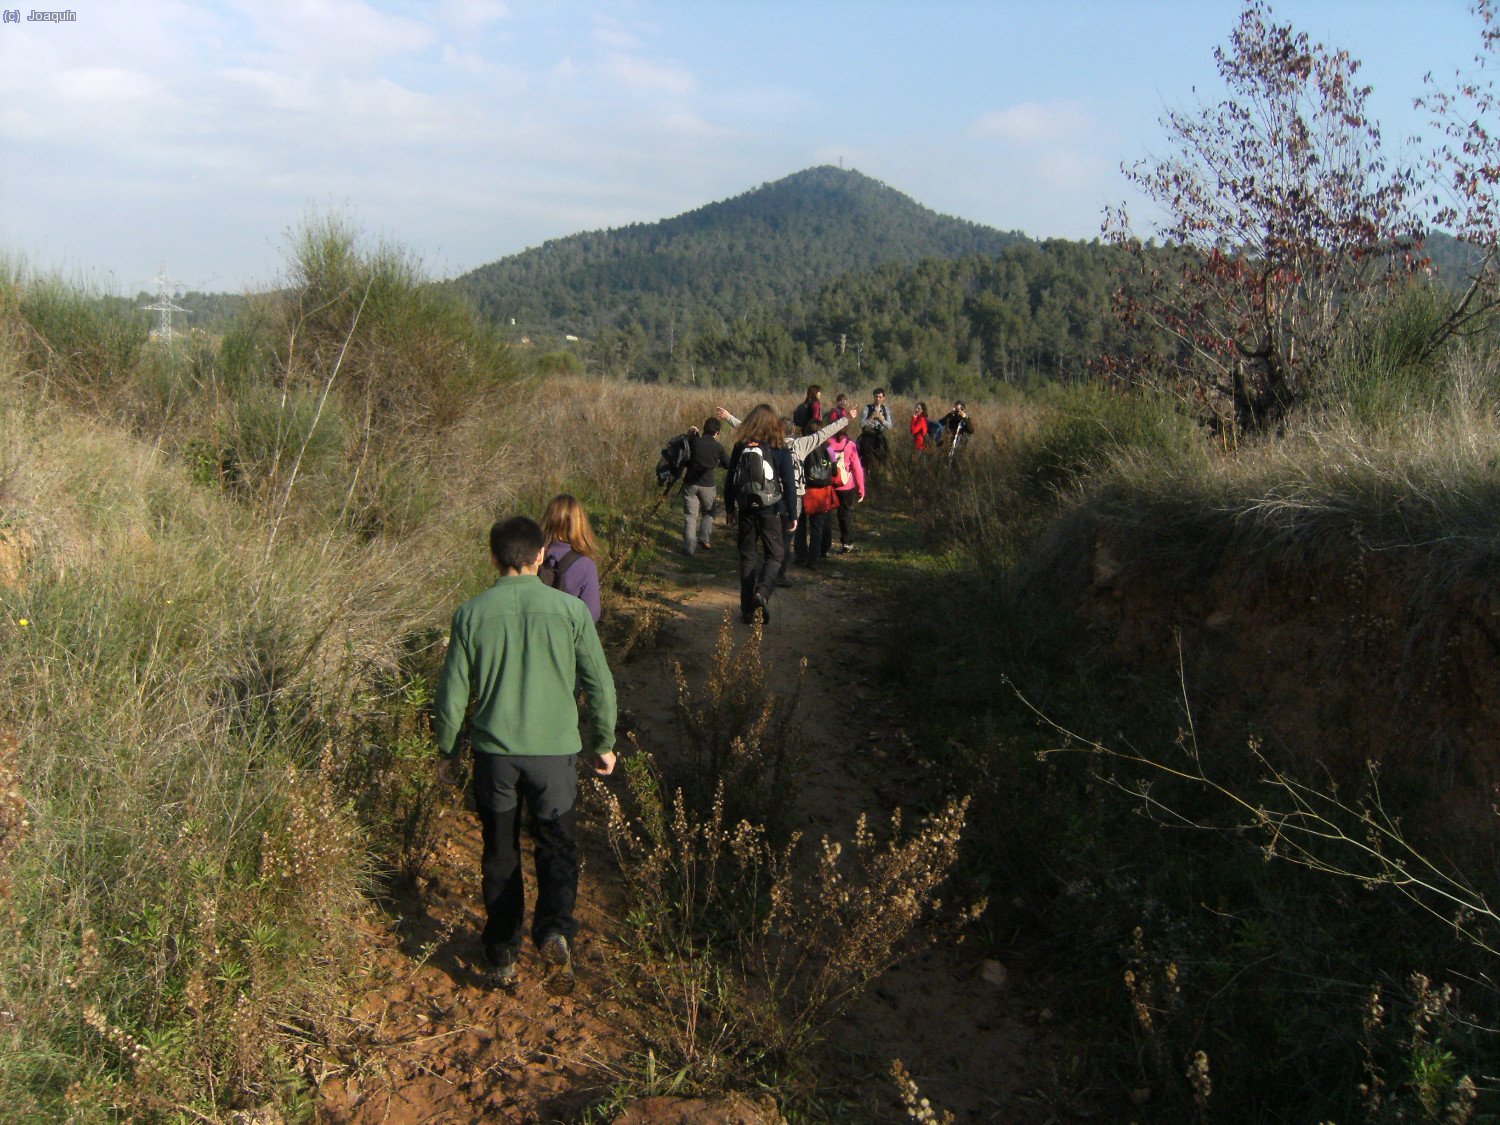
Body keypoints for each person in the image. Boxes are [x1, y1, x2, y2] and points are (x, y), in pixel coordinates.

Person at [435, 517, 617, 992]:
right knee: (556, 845)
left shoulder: (471, 614)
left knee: (500, 851)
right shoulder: (570, 613)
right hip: (554, 754)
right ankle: (554, 928)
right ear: (540, 557)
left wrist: (449, 749)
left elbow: (452, 693)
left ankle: (500, 953)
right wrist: (604, 741)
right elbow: (599, 683)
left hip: (496, 754)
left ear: (493, 558)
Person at [724, 404, 798, 624]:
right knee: (775, 555)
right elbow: (789, 484)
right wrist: (793, 513)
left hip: (746, 508)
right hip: (771, 509)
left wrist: (730, 508)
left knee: (747, 557)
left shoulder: (741, 446)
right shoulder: (779, 447)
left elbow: (730, 479)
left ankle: (747, 609)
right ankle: (762, 594)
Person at [540, 494, 602, 623]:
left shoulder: (534, 555)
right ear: (579, 523)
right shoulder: (585, 565)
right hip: (564, 637)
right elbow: (592, 615)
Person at [679, 417, 731, 556]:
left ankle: (689, 548)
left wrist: (691, 433)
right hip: (708, 485)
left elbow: (685, 448)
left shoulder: (694, 441)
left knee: (690, 515)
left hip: (690, 483)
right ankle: (704, 537)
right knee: (709, 512)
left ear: (704, 428)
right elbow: (728, 464)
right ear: (717, 433)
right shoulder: (718, 447)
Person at [824, 424, 866, 553]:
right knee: (845, 514)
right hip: (846, 485)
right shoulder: (850, 445)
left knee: (826, 516)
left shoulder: (827, 443)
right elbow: (857, 469)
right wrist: (861, 489)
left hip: (829, 484)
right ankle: (847, 542)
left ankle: (825, 544)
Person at [858, 388, 893, 475]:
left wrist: (882, 420)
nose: (878, 399)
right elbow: (862, 424)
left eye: (880, 397)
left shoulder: (885, 409)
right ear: (873, 397)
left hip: (880, 434)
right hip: (868, 434)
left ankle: (886, 469)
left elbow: (889, 426)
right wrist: (871, 417)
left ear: (883, 398)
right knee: (858, 445)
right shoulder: (867, 408)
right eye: (876, 397)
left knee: (887, 449)